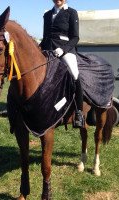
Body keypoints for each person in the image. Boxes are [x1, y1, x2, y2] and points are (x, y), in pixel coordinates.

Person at [40, 0, 84, 128]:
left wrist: (63, 49)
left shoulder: (71, 12)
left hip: (65, 50)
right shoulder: (47, 15)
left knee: (75, 74)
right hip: (48, 50)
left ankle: (79, 113)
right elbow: (45, 37)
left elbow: (75, 37)